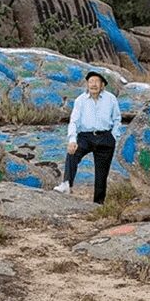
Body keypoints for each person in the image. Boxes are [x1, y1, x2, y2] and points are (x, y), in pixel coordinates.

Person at [53, 70, 122, 204]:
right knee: (72, 153)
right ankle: (67, 184)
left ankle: (98, 204)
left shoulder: (111, 99)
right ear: (87, 84)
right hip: (85, 137)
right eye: (90, 82)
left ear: (102, 85)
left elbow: (117, 119)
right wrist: (72, 139)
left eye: (96, 82)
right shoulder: (80, 100)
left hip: (105, 137)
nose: (93, 84)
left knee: (101, 175)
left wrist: (113, 137)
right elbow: (74, 121)